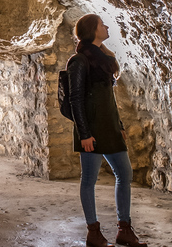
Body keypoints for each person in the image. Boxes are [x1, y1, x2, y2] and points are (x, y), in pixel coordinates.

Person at [68, 14, 147, 247]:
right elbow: (75, 99)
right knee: (89, 180)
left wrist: (119, 124)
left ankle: (124, 229)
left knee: (125, 174)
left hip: (109, 126)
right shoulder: (79, 60)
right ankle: (93, 232)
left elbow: (107, 98)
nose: (107, 26)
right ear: (92, 30)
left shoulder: (104, 59)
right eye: (102, 24)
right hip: (91, 128)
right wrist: (84, 134)